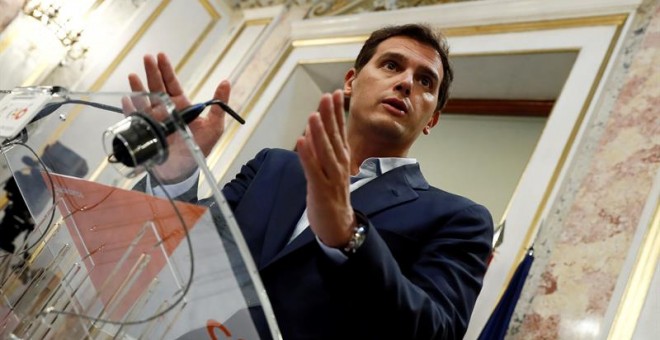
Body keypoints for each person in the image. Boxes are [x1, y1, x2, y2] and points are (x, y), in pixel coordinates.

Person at [129, 23, 493, 340]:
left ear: (432, 120)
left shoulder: (460, 219)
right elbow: (182, 256)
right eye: (391, 65)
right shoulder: (273, 166)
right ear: (351, 82)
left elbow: (435, 331)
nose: (405, 83)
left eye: (425, 81)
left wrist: (349, 237)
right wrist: (175, 176)